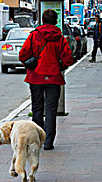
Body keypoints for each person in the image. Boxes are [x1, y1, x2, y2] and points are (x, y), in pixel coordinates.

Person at [19, 9, 74, 150]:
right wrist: (58, 65)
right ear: (56, 21)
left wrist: (31, 64)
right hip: (54, 78)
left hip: (35, 77)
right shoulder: (60, 38)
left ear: (42, 20)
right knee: (51, 110)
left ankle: (37, 139)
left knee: (37, 108)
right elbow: (68, 58)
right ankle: (49, 141)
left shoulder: (34, 36)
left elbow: (23, 54)